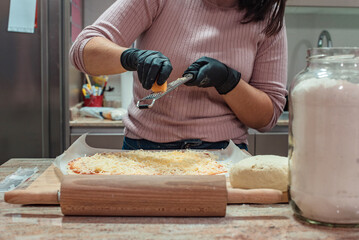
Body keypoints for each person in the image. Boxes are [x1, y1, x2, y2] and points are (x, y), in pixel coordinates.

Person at [70, 0, 288, 151]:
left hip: (225, 154)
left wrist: (228, 81)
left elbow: (267, 118)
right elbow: (81, 50)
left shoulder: (268, 16)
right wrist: (131, 57)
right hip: (144, 150)